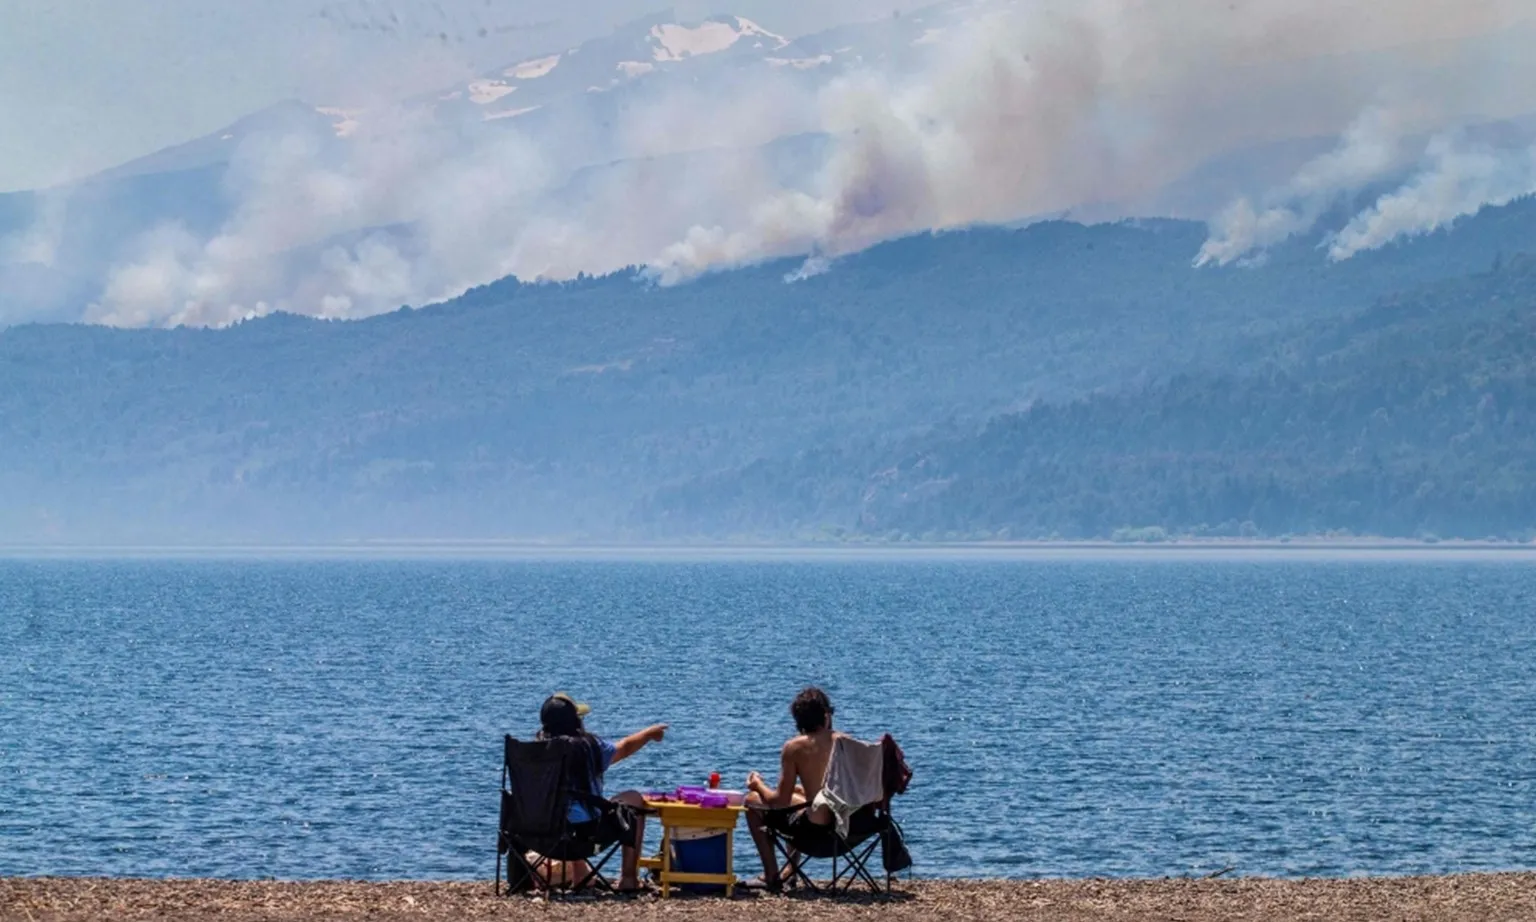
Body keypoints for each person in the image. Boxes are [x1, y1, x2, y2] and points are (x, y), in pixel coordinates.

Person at [534, 693, 667, 892]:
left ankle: (582, 875)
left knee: (568, 807)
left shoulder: (534, 751)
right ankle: (628, 878)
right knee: (632, 799)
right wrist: (648, 733)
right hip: (585, 835)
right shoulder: (588, 747)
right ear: (575, 720)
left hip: (538, 832)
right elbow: (624, 747)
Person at [743, 686, 845, 890]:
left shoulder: (795, 747)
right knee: (798, 793)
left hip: (818, 833)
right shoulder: (847, 742)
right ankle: (789, 872)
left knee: (752, 801)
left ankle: (772, 876)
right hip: (852, 828)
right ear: (826, 716)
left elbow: (779, 801)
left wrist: (758, 785)